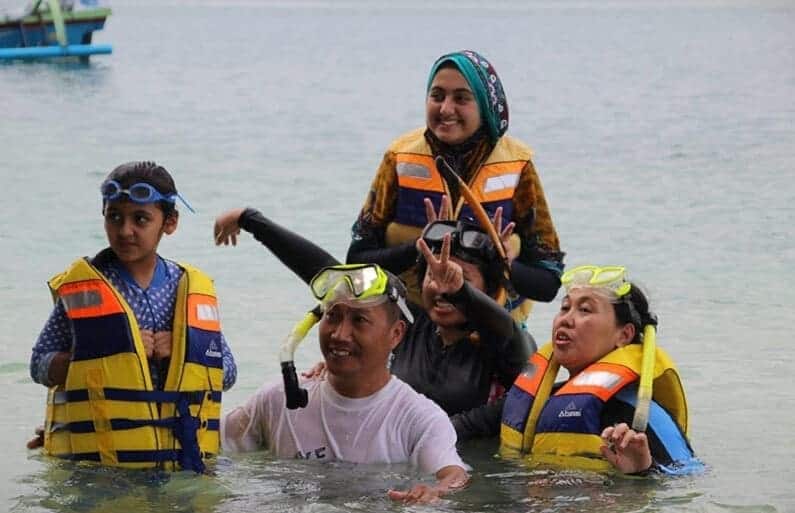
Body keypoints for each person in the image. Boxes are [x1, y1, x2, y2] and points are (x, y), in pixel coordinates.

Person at [213, 206, 533, 440]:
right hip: (394, 471)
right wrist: (254, 221)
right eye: (434, 276)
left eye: (459, 277)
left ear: (489, 290)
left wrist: (459, 291)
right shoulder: (407, 327)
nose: (441, 287)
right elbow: (335, 276)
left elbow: (507, 341)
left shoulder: (508, 345)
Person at [29, 161, 236, 473]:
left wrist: (180, 348)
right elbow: (39, 365)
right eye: (114, 217)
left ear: (170, 222)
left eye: (140, 219)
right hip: (101, 466)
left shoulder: (188, 288)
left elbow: (228, 373)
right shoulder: (84, 288)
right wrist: (102, 353)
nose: (125, 230)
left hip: (181, 464)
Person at [221, 263, 469, 504]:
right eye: (333, 316)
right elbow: (210, 443)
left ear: (396, 334)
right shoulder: (279, 399)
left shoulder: (419, 418)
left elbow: (454, 475)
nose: (339, 334)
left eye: (359, 320)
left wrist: (435, 491)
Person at [346, 49, 564, 323]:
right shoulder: (399, 157)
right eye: (437, 96)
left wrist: (501, 263)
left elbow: (548, 283)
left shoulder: (518, 165)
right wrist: (421, 247)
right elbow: (356, 261)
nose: (446, 108)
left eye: (461, 98)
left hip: (493, 332)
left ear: (485, 105)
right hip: (412, 326)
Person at [500, 265, 702, 475]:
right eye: (565, 307)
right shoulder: (538, 401)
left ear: (624, 335)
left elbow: (688, 482)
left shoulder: (642, 415)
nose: (566, 319)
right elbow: (467, 425)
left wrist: (642, 472)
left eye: (585, 310)